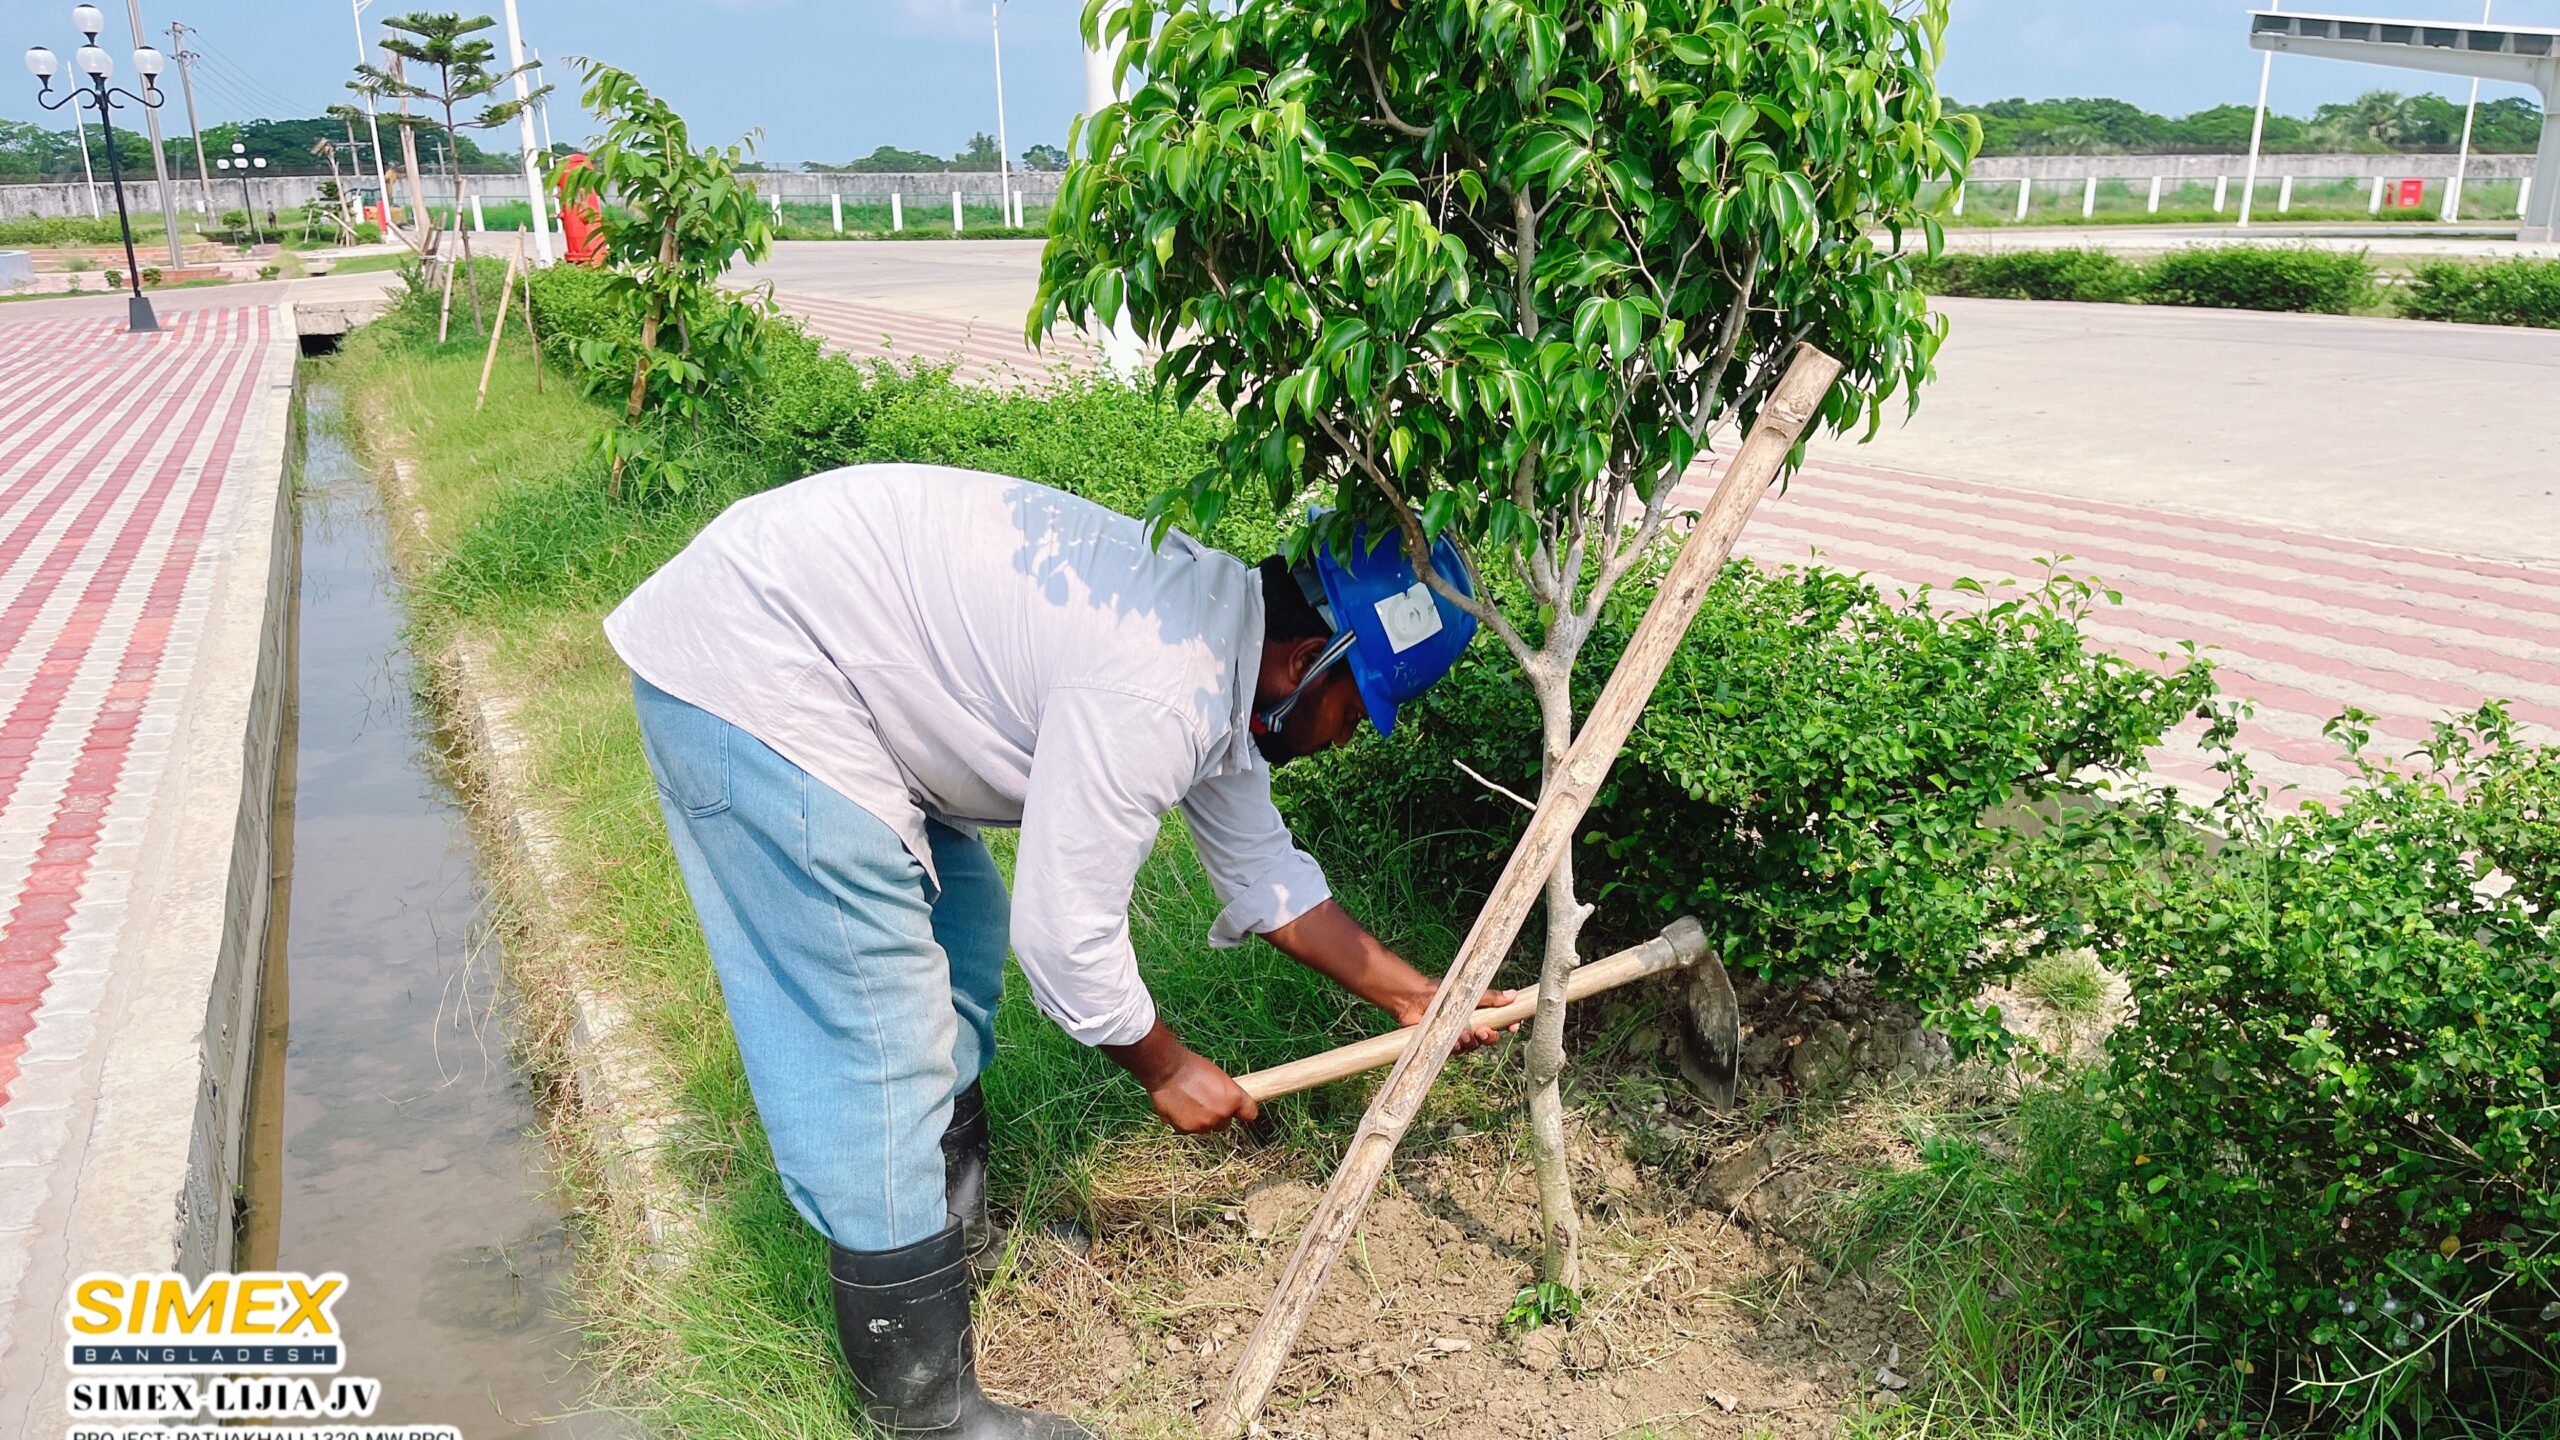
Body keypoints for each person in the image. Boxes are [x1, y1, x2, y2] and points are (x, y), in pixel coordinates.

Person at [606, 463, 1509, 1438]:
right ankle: (925, 1414)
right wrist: (1167, 1069)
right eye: (1358, 710)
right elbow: (1066, 940)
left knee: (961, 933)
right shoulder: (1161, 689)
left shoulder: (1220, 652)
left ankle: (948, 1244)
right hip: (760, 669)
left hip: (836, 658)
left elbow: (1266, 875)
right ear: (1305, 662)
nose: (1350, 739)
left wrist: (1419, 998)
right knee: (876, 1027)